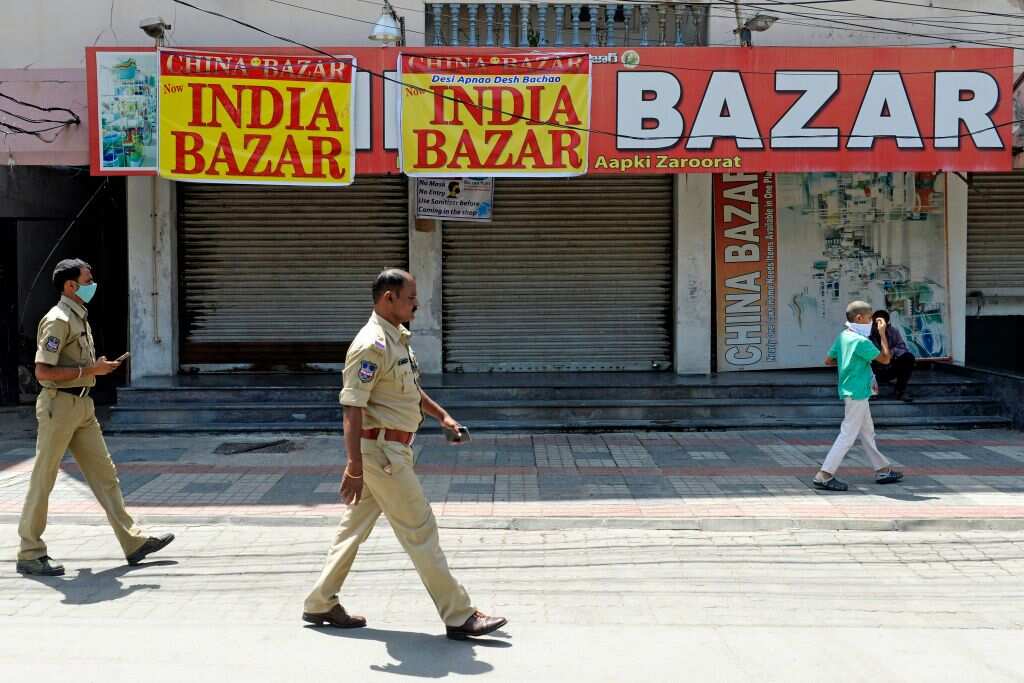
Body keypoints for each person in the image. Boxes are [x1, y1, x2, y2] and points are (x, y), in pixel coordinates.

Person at [302, 269, 507, 640]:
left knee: (352, 530)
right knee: (421, 528)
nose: (417, 303)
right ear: (388, 299)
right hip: (381, 454)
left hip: (389, 450)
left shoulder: (397, 339)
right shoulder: (371, 345)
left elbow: (409, 390)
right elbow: (352, 408)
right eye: (411, 297)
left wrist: (442, 416)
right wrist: (354, 467)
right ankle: (459, 614)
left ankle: (319, 602)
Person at [16, 259, 174, 576]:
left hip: (83, 407)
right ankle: (30, 552)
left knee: (106, 476)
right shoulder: (58, 320)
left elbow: (78, 366)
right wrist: (91, 371)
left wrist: (96, 370)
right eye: (88, 279)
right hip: (59, 407)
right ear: (70, 286)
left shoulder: (79, 316)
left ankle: (133, 542)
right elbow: (43, 371)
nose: (93, 284)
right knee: (43, 479)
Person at [812, 300, 905, 492]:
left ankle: (882, 469)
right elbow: (886, 359)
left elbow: (829, 360)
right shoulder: (861, 342)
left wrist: (848, 364)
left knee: (867, 432)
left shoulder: (843, 337)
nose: (872, 322)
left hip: (851, 390)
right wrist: (881, 334)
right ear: (859, 318)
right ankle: (824, 475)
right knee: (848, 434)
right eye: (870, 318)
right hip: (858, 392)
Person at [869, 309, 915, 402]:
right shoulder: (867, 334)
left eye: (881, 324)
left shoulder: (893, 331)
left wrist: (891, 352)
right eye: (876, 324)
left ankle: (900, 391)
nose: (878, 327)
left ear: (887, 324)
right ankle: (871, 391)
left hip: (890, 366)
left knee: (908, 357)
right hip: (874, 369)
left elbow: (902, 348)